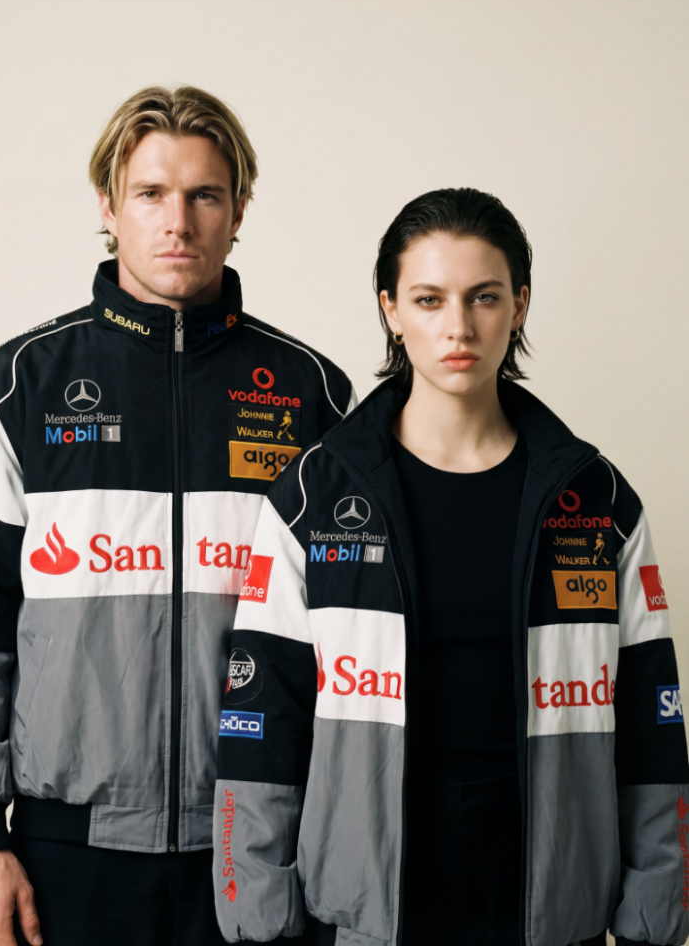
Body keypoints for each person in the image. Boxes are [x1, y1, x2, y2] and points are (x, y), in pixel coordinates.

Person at [0, 85, 355, 946]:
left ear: (239, 211)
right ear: (109, 208)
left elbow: (354, 631)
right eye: (151, 193)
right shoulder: (16, 386)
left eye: (205, 195)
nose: (177, 222)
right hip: (66, 857)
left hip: (260, 847)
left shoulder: (314, 395)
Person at [213, 188, 689, 945]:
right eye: (429, 300)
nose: (458, 327)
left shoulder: (599, 501)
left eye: (484, 297)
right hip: (372, 908)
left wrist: (654, 917)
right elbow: (262, 720)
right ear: (392, 311)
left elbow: (652, 727)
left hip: (549, 905)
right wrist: (258, 918)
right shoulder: (312, 496)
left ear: (520, 305)